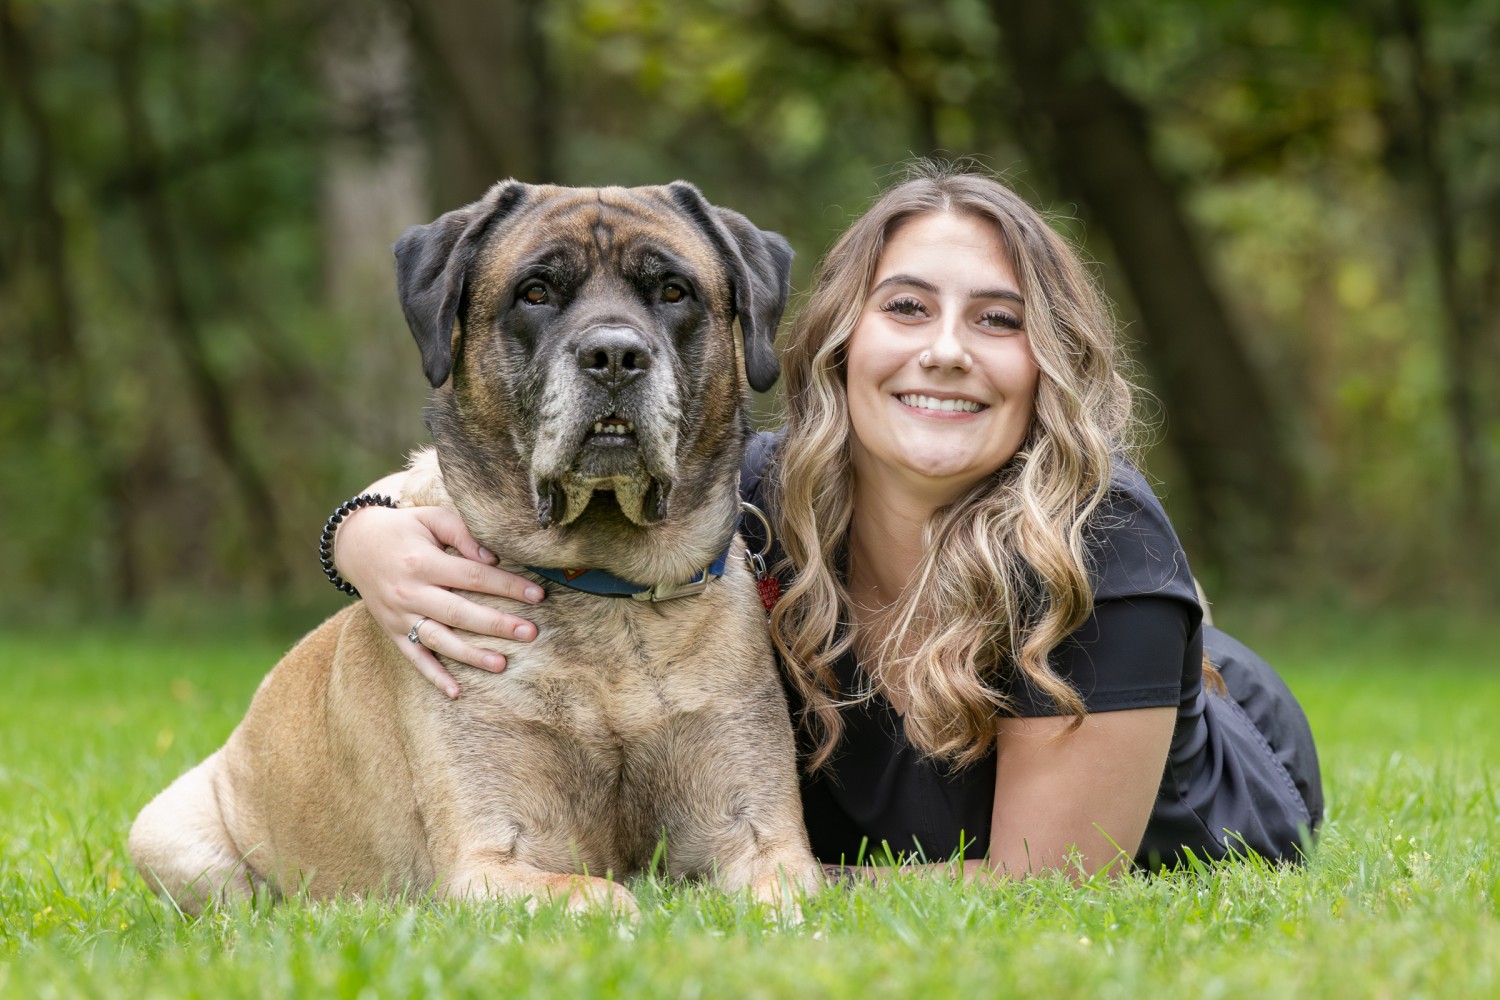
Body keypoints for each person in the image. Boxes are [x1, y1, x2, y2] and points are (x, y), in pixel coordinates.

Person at [331, 166, 1322, 880]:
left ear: (1046, 362)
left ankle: (1192, 666)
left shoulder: (1103, 547)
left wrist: (767, 891)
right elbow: (459, 472)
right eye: (906, 307)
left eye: (995, 319)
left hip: (1216, 786)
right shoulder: (758, 499)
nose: (943, 351)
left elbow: (1039, 886)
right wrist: (363, 533)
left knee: (1155, 648)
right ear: (843, 340)